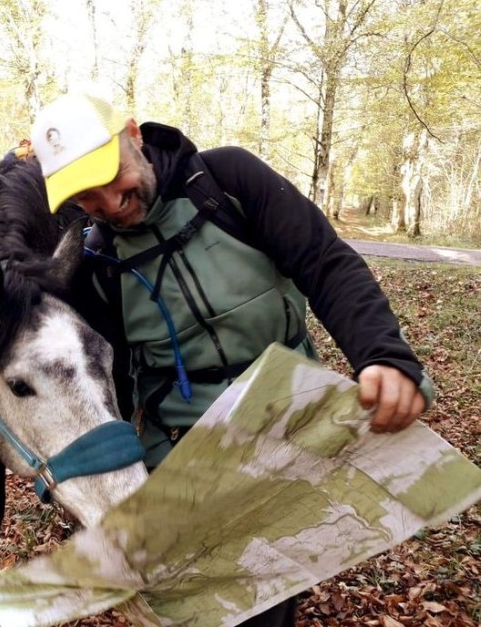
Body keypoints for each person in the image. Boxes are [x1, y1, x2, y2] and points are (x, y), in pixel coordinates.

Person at [29, 91, 434, 627]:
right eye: (85, 195)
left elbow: (324, 261)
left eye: (110, 175)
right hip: (185, 449)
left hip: (284, 419)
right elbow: (104, 379)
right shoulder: (97, 262)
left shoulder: (227, 183)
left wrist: (382, 355)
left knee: (268, 589)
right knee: (197, 599)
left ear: (134, 134)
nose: (108, 202)